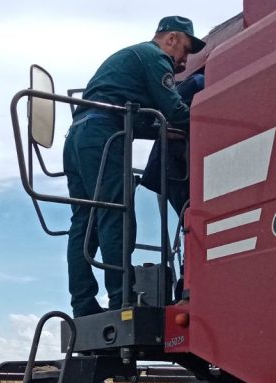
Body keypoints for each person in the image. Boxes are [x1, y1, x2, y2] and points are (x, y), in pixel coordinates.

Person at [63, 15, 206, 317]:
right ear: (171, 39)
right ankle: (122, 300)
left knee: (83, 224)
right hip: (104, 134)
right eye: (185, 49)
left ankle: (83, 305)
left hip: (78, 135)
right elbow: (175, 111)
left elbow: (134, 112)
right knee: (116, 215)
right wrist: (206, 120)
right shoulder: (156, 58)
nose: (184, 61)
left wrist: (157, 128)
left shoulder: (130, 59)